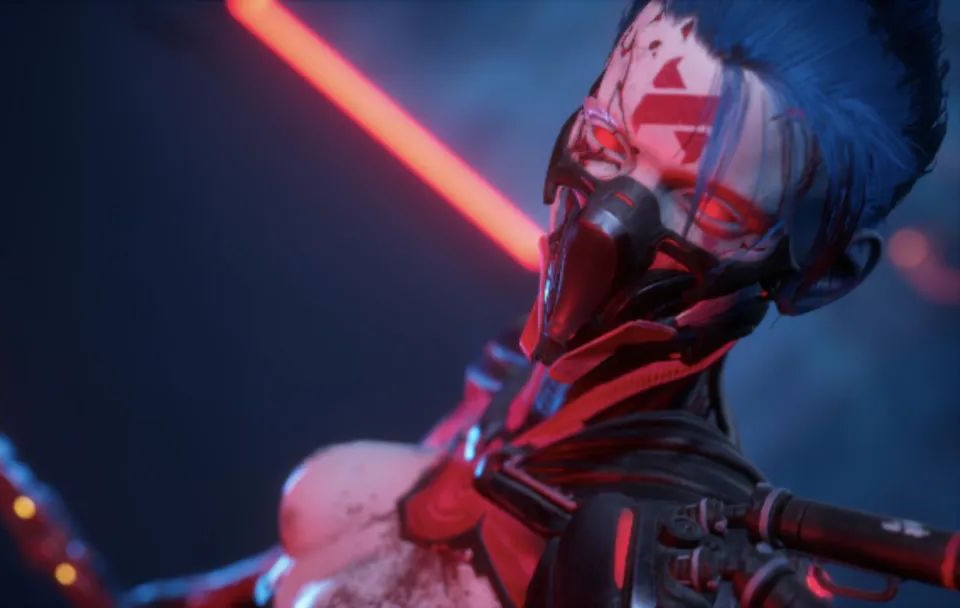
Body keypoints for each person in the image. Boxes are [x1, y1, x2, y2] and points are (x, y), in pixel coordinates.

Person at [125, 1, 951, 606]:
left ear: (821, 275)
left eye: (705, 207)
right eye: (608, 142)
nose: (608, 223)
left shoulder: (667, 557)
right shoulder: (521, 391)